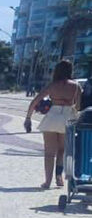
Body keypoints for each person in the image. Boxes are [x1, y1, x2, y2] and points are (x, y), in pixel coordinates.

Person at [25, 59, 80, 189]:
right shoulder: (76, 86)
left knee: (49, 153)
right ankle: (59, 177)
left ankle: (47, 181)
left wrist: (28, 118)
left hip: (52, 118)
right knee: (62, 150)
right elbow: (78, 106)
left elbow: (35, 101)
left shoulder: (52, 85)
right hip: (68, 118)